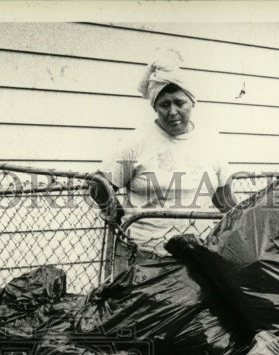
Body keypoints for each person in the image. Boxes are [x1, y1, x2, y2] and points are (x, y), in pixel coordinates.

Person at [93, 51, 235, 273]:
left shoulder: (211, 142)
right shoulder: (136, 141)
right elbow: (99, 186)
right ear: (155, 106)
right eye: (164, 104)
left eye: (180, 103)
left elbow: (223, 197)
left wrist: (248, 223)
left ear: (192, 102)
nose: (172, 112)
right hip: (145, 256)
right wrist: (120, 217)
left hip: (197, 255)